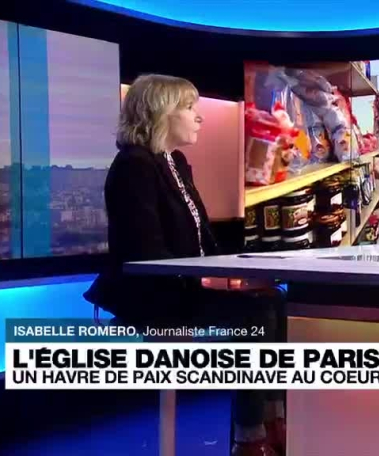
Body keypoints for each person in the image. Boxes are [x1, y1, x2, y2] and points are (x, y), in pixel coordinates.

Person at [83, 74, 284, 456]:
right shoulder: (133, 165)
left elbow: (198, 236)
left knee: (274, 299)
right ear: (160, 112)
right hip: (152, 295)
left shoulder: (174, 161)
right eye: (189, 108)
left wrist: (234, 268)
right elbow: (144, 251)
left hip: (182, 286)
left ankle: (273, 419)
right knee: (257, 314)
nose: (199, 117)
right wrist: (210, 273)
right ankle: (250, 437)